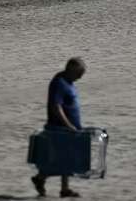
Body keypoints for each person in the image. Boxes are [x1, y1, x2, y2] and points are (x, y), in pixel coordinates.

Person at [31, 58, 87, 198]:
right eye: (79, 73)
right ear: (70, 69)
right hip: (59, 128)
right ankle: (40, 178)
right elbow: (57, 107)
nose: (80, 77)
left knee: (67, 158)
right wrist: (68, 125)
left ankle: (64, 189)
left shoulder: (69, 82)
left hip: (69, 128)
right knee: (58, 159)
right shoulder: (59, 83)